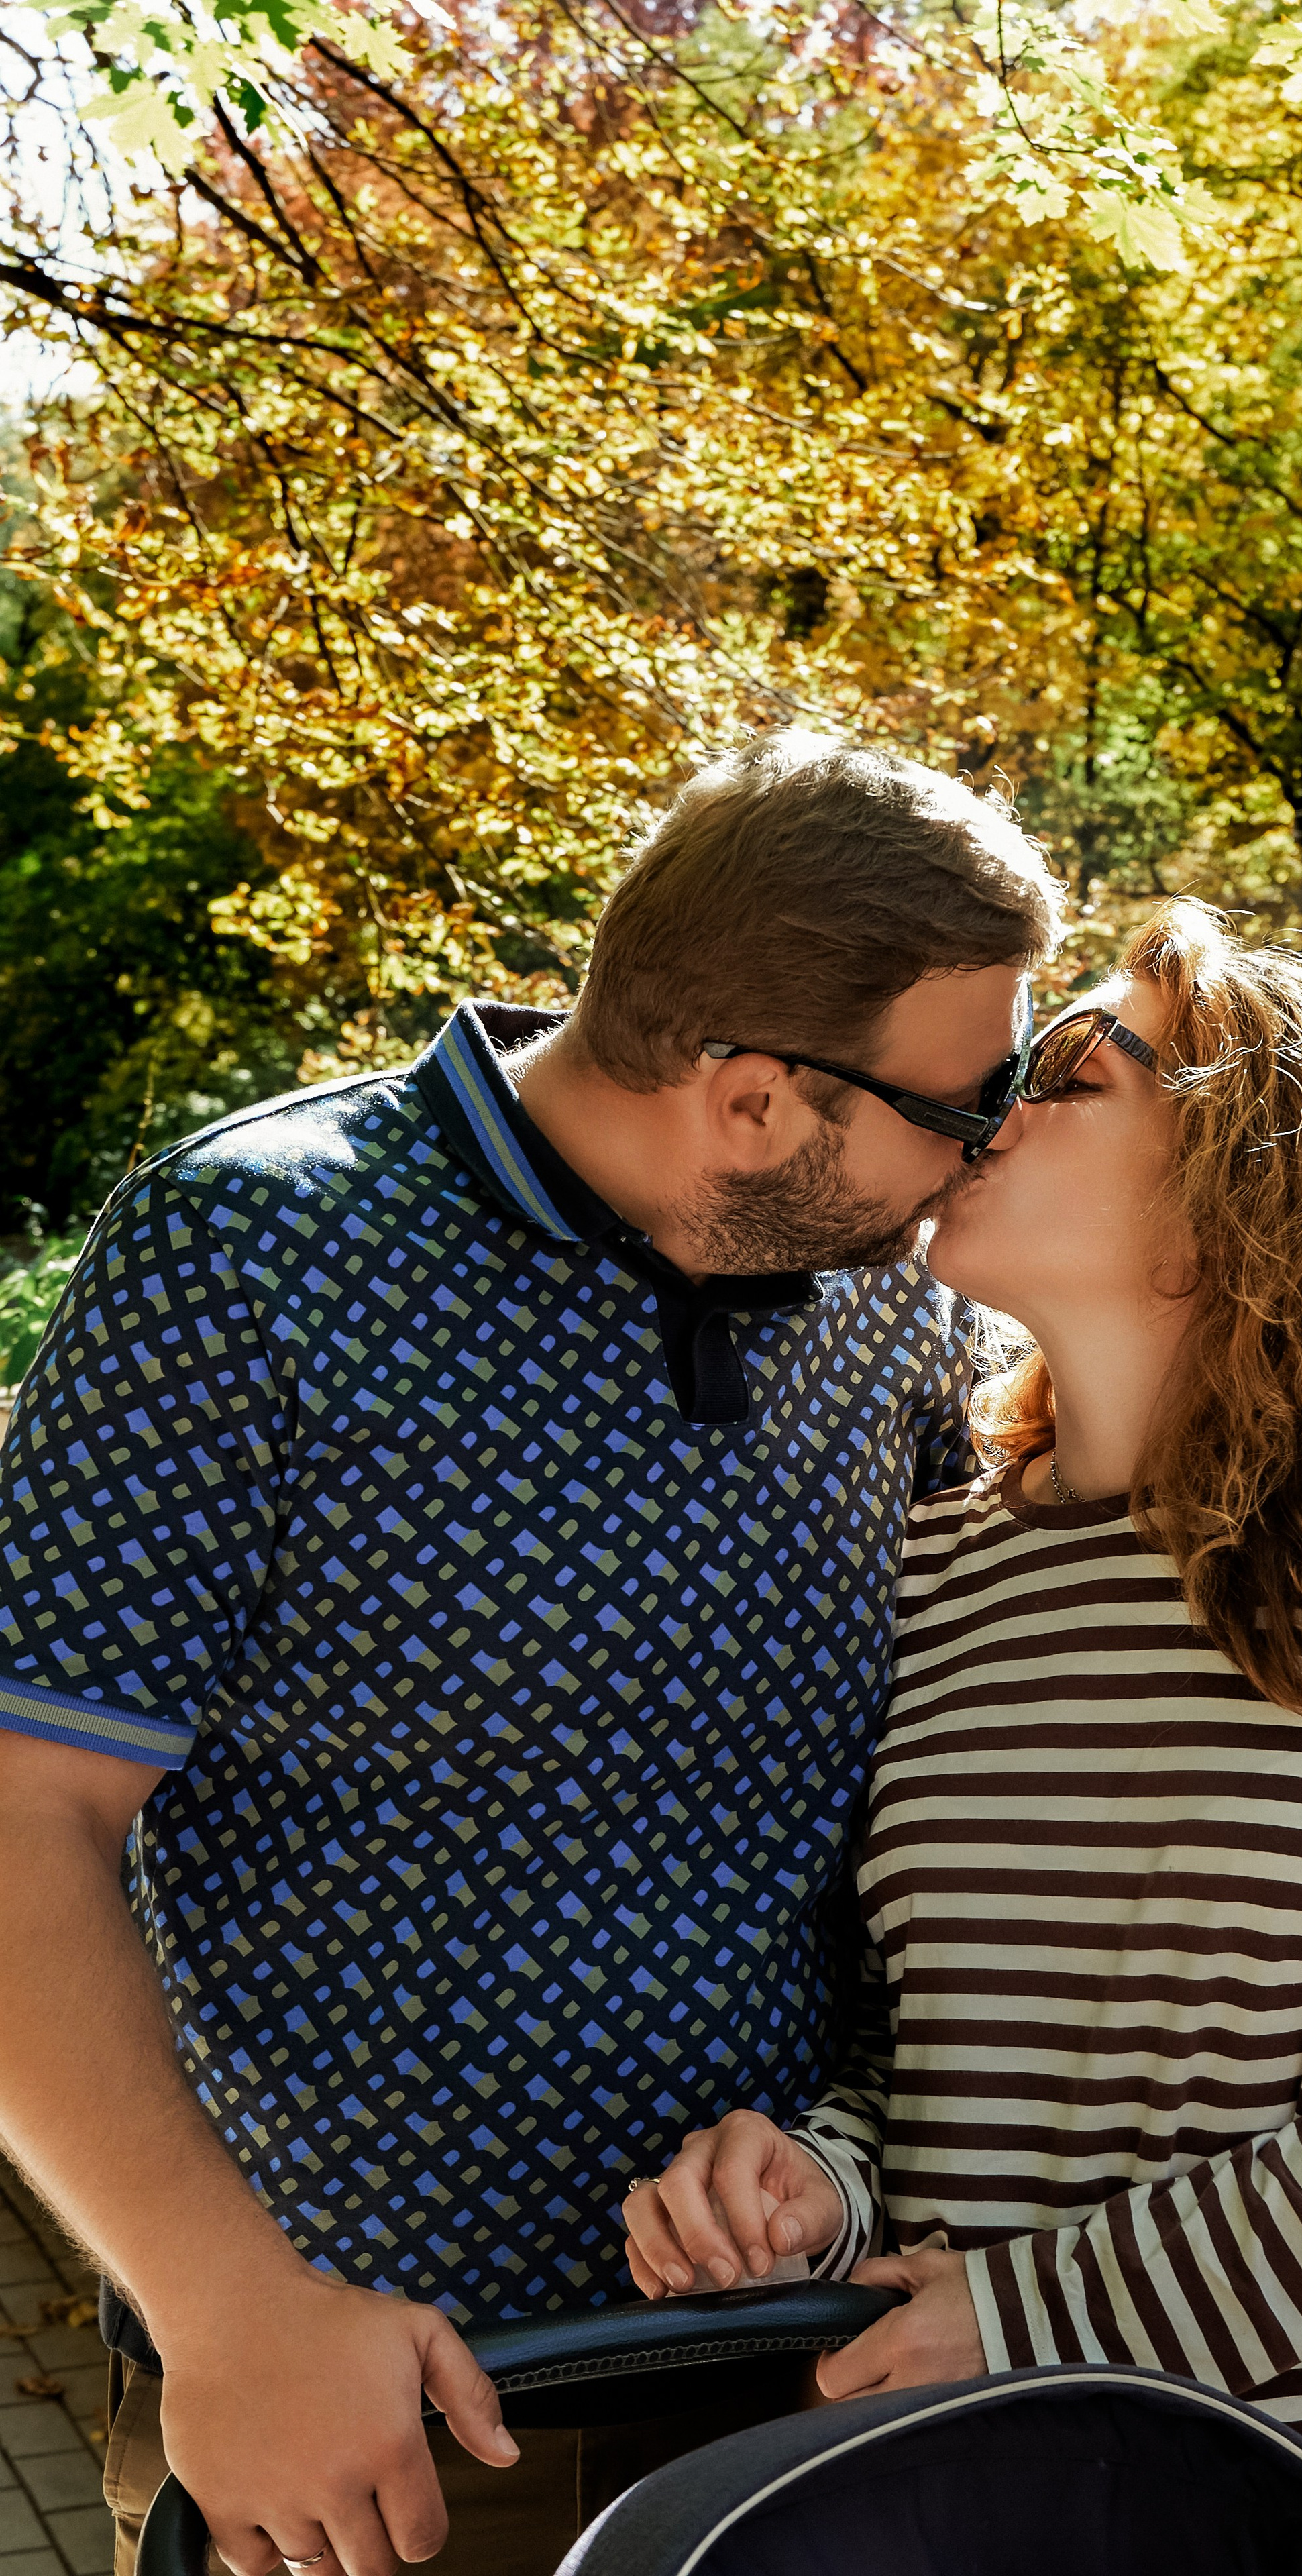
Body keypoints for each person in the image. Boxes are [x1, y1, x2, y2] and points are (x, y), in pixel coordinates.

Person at [0, 729, 1063, 2576]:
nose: (992, 1147)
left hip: (813, 2394)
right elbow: (24, 1820)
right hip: (380, 2420)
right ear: (749, 1098)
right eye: (966, 1106)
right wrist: (225, 2310)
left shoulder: (889, 1309)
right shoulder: (250, 1252)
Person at [624, 900, 1302, 2576]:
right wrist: (812, 2185)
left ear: (1241, 1181)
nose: (983, 1108)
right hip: (982, 2494)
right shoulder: (936, 1566)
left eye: (1067, 1071)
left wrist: (1044, 2319)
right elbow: (933, 2060)